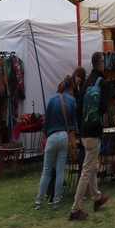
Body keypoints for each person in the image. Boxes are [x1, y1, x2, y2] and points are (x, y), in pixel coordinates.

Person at [70, 52, 111, 221]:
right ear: (100, 64)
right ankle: (75, 208)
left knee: (92, 166)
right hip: (95, 131)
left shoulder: (86, 83)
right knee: (87, 170)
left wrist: (81, 129)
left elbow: (79, 108)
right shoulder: (102, 83)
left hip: (85, 131)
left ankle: (96, 198)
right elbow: (104, 107)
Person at [32, 76, 77, 210]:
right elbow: (73, 124)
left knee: (46, 171)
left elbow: (46, 121)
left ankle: (38, 201)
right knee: (60, 170)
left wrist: (47, 133)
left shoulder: (52, 99)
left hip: (52, 136)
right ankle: (56, 200)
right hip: (64, 136)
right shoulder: (72, 100)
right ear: (71, 89)